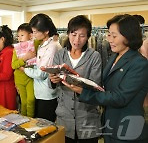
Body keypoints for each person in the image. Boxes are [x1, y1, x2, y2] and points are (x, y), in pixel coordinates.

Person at [62, 14, 148, 143]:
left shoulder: (139, 64)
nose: (109, 40)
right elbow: (104, 85)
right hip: (110, 124)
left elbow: (120, 97)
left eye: (114, 36)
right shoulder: (115, 56)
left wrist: (83, 92)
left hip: (128, 127)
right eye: (109, 35)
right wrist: (81, 81)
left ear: (129, 36)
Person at [49, 15, 102, 143]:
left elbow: (95, 85)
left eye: (82, 35)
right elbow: (52, 82)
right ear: (68, 34)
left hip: (87, 116)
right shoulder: (60, 55)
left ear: (88, 36)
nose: (77, 40)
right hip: (64, 116)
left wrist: (79, 86)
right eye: (73, 34)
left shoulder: (94, 56)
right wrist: (53, 80)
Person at [20, 13, 62, 122]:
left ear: (46, 31)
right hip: (39, 91)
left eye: (35, 32)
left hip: (47, 94)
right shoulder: (42, 45)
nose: (33, 35)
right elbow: (40, 66)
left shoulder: (52, 47)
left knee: (46, 126)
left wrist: (24, 69)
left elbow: (41, 73)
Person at [12, 23, 40, 117]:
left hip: (30, 77)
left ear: (30, 35)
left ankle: (31, 120)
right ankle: (24, 121)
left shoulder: (35, 44)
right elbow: (13, 65)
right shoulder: (16, 48)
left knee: (31, 100)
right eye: (18, 36)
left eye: (22, 35)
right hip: (19, 79)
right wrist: (24, 58)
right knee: (23, 102)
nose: (19, 38)